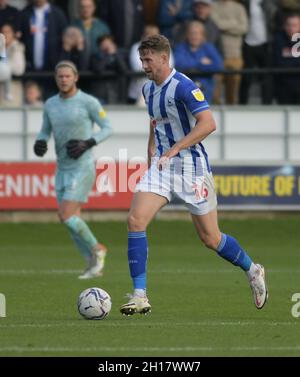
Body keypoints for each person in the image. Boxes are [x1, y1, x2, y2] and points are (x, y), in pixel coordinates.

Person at [120, 35, 268, 316]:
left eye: (148, 60)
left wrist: (177, 146)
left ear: (164, 58)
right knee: (135, 220)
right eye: (142, 60)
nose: (143, 65)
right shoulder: (147, 89)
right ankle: (140, 295)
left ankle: (252, 269)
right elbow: (156, 119)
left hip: (192, 169)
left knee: (211, 239)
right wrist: (152, 146)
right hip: (163, 167)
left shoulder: (184, 86)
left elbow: (209, 123)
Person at [33, 60, 113, 279]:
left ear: (76, 77)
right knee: (70, 220)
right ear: (56, 78)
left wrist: (89, 142)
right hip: (62, 167)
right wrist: (40, 142)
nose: (64, 79)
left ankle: (97, 249)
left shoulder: (88, 102)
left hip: (83, 166)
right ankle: (91, 263)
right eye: (60, 76)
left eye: (68, 76)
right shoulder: (50, 104)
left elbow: (108, 128)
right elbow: (44, 131)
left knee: (66, 215)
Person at [174, 20, 223, 104]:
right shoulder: (181, 47)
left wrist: (191, 65)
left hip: (206, 88)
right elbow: (179, 64)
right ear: (187, 35)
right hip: (185, 88)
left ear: (202, 35)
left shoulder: (208, 47)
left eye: (197, 33)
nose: (194, 36)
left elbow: (218, 65)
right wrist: (201, 63)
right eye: (192, 33)